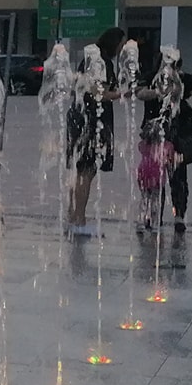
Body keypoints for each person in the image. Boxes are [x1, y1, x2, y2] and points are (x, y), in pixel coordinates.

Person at [66, 26, 128, 236]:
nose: (122, 48)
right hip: (91, 120)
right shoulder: (100, 60)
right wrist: (119, 94)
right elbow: (96, 91)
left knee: (80, 171)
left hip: (81, 117)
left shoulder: (92, 58)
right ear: (114, 42)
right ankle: (79, 220)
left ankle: (73, 216)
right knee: (86, 171)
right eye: (121, 43)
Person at [167, 76, 192, 234]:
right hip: (158, 140)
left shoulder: (187, 96)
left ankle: (179, 215)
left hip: (179, 144)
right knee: (153, 178)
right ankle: (151, 214)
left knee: (179, 180)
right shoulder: (157, 87)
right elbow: (141, 94)